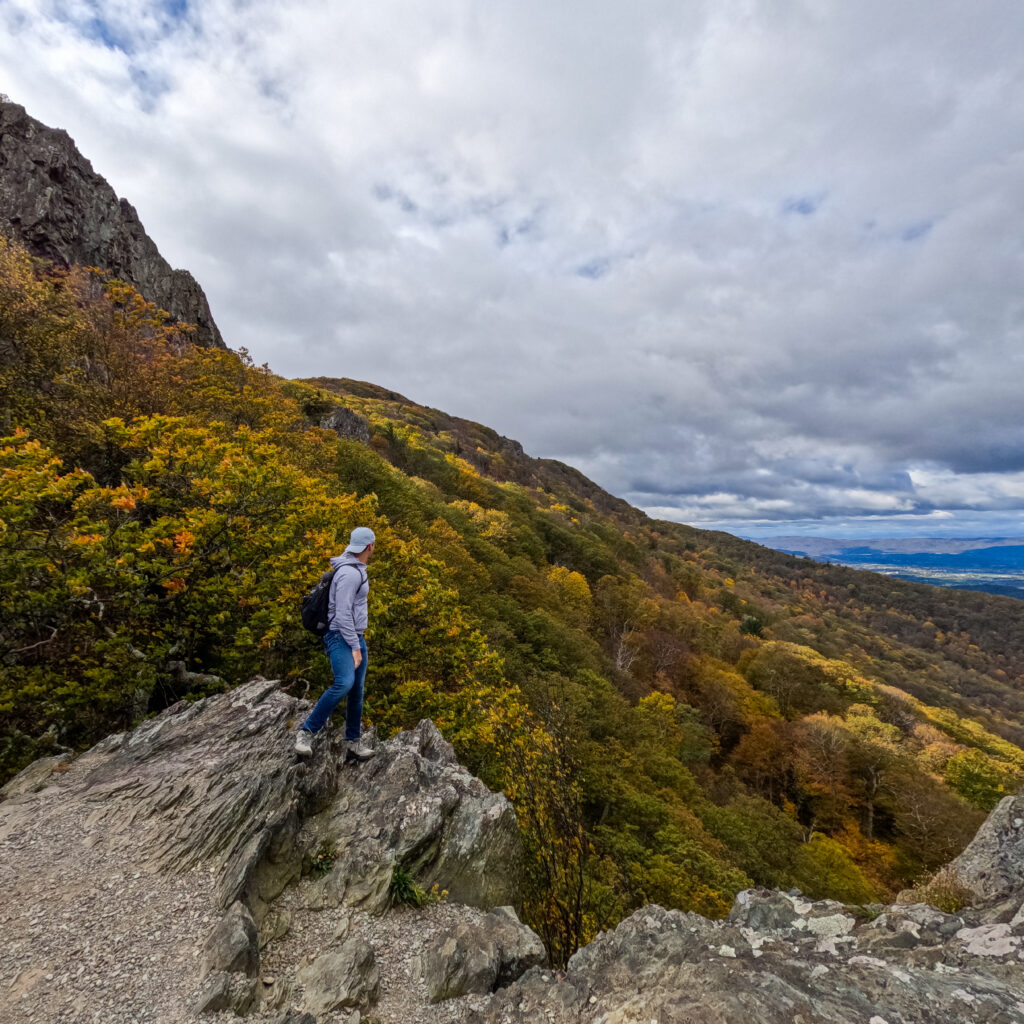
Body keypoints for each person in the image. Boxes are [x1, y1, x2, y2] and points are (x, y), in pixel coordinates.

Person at [295, 526, 376, 760]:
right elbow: (341, 614)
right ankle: (306, 733)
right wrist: (354, 647)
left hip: (354, 635)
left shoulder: (352, 567)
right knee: (344, 683)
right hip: (341, 635)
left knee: (357, 690)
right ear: (370, 546)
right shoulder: (350, 574)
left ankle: (353, 743)